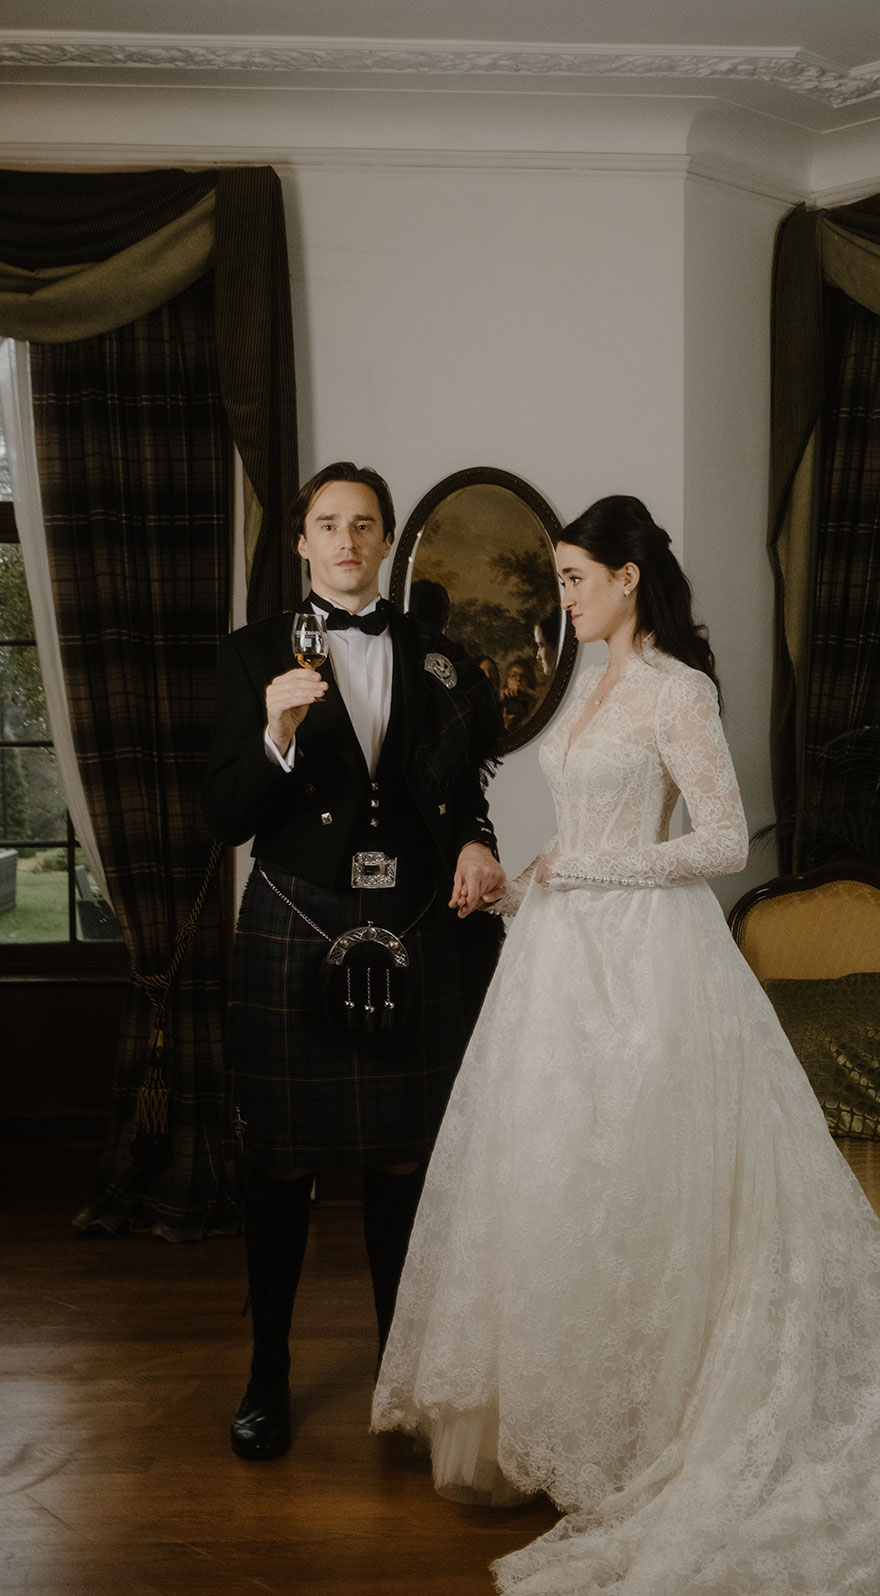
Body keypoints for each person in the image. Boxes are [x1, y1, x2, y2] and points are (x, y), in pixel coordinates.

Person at [371, 495, 880, 1596]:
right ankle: (558, 1431)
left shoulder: (679, 688)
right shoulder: (590, 680)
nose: (563, 598)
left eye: (576, 579)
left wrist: (591, 871)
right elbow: (578, 827)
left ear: (629, 578)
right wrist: (529, 875)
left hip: (656, 971)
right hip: (563, 962)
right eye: (559, 580)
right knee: (559, 1184)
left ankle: (657, 1434)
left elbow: (720, 841)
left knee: (650, 1193)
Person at [204, 461, 506, 1462]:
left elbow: (459, 787)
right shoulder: (250, 656)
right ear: (301, 542)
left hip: (413, 919)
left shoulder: (436, 656)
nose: (345, 540)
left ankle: (400, 1374)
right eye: (326, 524)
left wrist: (472, 839)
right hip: (294, 914)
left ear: (385, 541)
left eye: (363, 524)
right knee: (280, 1157)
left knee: (401, 1161)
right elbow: (226, 818)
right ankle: (267, 1378)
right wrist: (277, 735)